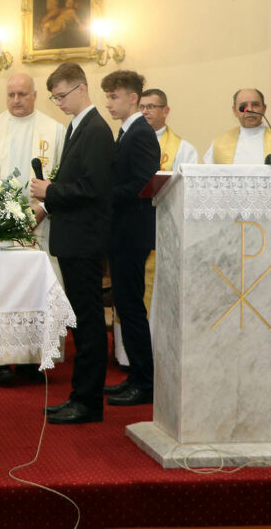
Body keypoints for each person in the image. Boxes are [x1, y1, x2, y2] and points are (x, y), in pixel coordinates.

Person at [0, 72, 65, 387]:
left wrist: (44, 209)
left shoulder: (55, 131)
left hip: (40, 225)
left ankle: (31, 358)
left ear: (35, 95)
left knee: (32, 292)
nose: (17, 100)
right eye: (11, 95)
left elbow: (65, 179)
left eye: (23, 94)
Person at [30, 62, 113, 425]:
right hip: (74, 238)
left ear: (81, 88)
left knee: (89, 322)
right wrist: (50, 199)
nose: (59, 103)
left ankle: (89, 402)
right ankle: (80, 395)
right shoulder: (78, 126)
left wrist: (51, 191)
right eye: (54, 98)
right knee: (81, 320)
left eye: (62, 95)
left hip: (85, 239)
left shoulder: (96, 130)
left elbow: (93, 188)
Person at [112, 87, 197, 368]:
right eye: (143, 106)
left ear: (166, 111)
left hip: (163, 233)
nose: (146, 111)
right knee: (130, 302)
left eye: (152, 106)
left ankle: (152, 368)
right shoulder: (127, 134)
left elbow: (186, 191)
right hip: (136, 230)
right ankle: (130, 363)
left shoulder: (183, 149)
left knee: (140, 301)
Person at [99, 70, 159, 407]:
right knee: (125, 305)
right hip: (121, 232)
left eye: (114, 97)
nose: (109, 103)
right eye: (107, 97)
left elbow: (141, 183)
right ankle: (136, 376)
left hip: (131, 233)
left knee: (132, 308)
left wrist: (100, 196)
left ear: (133, 98)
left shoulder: (141, 133)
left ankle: (145, 382)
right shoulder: (127, 131)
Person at [202, 88, 271, 164]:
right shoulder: (219, 144)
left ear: (264, 109)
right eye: (243, 106)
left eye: (255, 105)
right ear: (235, 111)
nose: (250, 109)